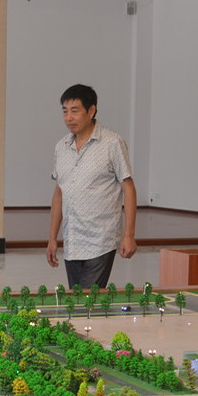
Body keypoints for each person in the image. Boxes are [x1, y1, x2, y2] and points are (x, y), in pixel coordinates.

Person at [46, 84, 137, 289]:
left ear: (92, 111)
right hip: (72, 240)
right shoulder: (61, 147)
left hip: (101, 239)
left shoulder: (112, 143)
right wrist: (52, 238)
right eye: (65, 111)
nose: (69, 117)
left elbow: (128, 188)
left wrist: (129, 235)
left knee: (87, 299)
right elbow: (59, 193)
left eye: (75, 111)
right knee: (77, 298)